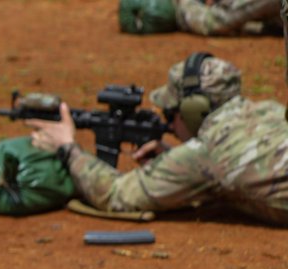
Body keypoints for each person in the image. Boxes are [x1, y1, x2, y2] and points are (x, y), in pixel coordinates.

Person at [26, 53, 288, 226]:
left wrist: (67, 147)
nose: (170, 124)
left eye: (171, 113)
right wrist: (177, 157)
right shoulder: (269, 109)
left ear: (193, 110)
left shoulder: (205, 153)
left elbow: (117, 195)